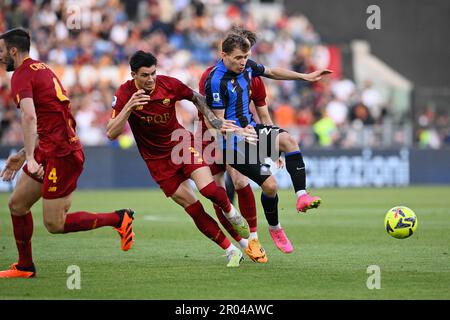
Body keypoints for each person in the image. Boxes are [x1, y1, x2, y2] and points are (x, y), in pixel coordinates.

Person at [0, 28, 135, 278]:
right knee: (17, 205)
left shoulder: (20, 75)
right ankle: (25, 266)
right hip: (50, 148)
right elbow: (50, 119)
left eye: (1, 51)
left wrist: (29, 157)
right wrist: (24, 153)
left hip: (61, 154)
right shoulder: (41, 69)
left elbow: (29, 116)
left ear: (13, 51)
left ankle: (118, 219)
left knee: (54, 224)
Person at [106, 50, 257, 267]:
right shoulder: (123, 94)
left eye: (153, 74)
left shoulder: (169, 84)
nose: (150, 79)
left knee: (208, 190)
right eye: (145, 75)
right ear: (133, 75)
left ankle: (232, 213)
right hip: (156, 161)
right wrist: (129, 106)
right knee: (193, 208)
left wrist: (213, 120)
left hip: (181, 145)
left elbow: (196, 97)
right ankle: (232, 250)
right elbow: (111, 133)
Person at [203, 32, 331, 254]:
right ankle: (275, 228)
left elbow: (272, 72)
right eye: (238, 58)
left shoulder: (247, 67)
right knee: (270, 186)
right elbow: (217, 124)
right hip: (231, 145)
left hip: (252, 130)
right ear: (223, 55)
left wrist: (305, 77)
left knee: (289, 141)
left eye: (246, 57)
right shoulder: (215, 80)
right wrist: (241, 133)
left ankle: (301, 196)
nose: (243, 62)